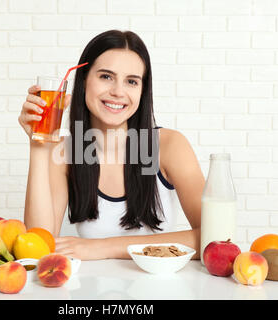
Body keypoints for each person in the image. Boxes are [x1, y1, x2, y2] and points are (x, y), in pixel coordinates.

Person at [18, 30, 205, 260]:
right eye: (106, 76)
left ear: (142, 90)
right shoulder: (69, 152)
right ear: (84, 79)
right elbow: (39, 243)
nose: (118, 91)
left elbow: (213, 237)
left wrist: (102, 247)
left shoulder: (168, 145)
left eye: (132, 81)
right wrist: (38, 144)